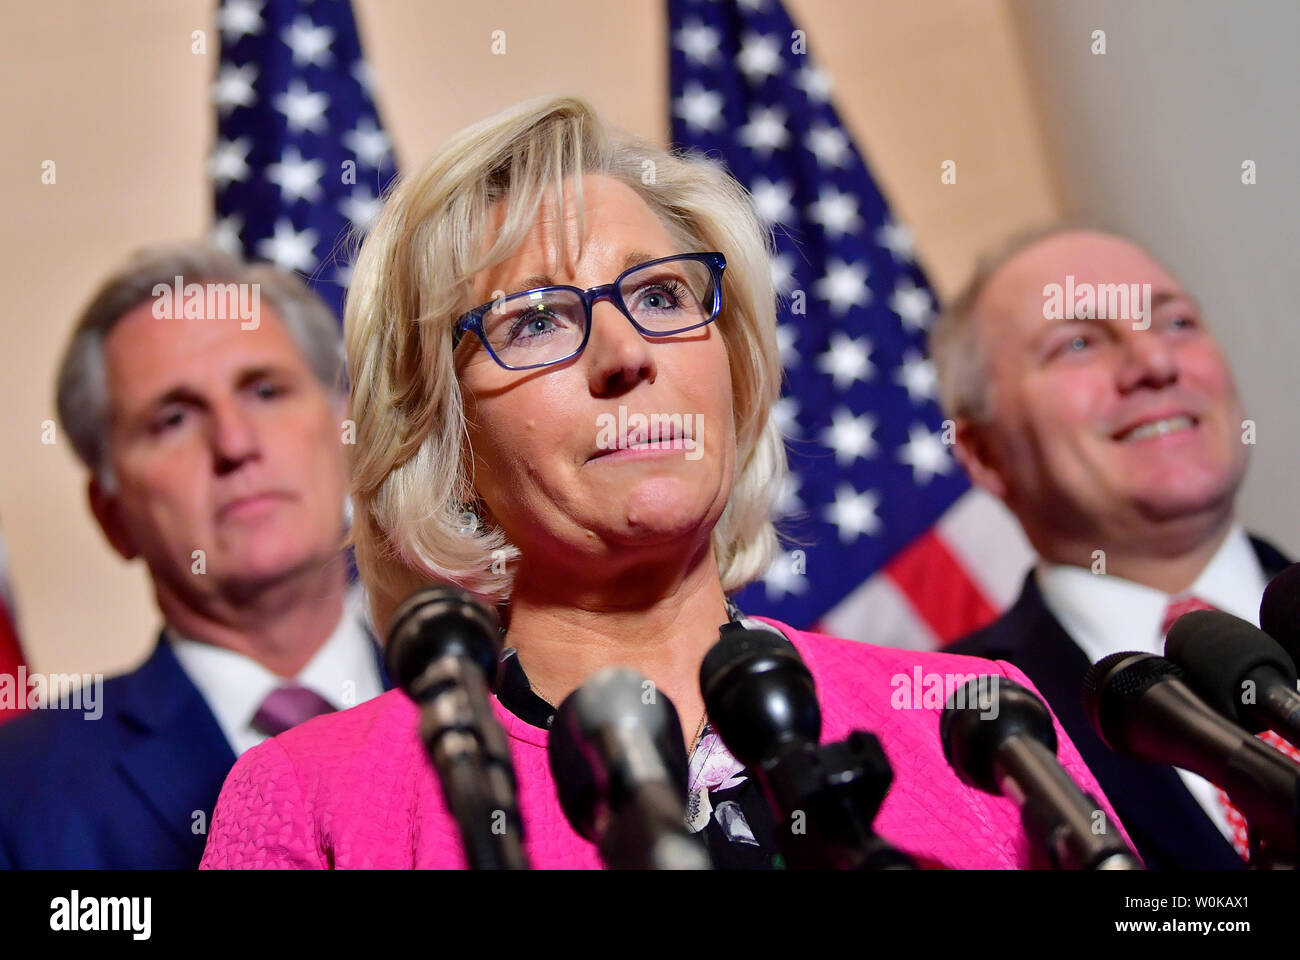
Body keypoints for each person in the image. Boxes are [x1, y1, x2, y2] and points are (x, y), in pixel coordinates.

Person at [200, 97, 1124, 870]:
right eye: (532, 322)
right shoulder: (311, 801)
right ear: (443, 438)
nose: (626, 353)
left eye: (660, 296)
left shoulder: (976, 724)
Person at [0, 244, 389, 869]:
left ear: (344, 433)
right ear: (111, 516)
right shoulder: (18, 796)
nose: (234, 444)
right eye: (173, 419)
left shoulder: (502, 715)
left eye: (265, 391)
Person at [934, 226, 1290, 869]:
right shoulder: (949, 724)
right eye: (1077, 343)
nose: (1155, 364)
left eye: (1176, 323)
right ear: (986, 454)